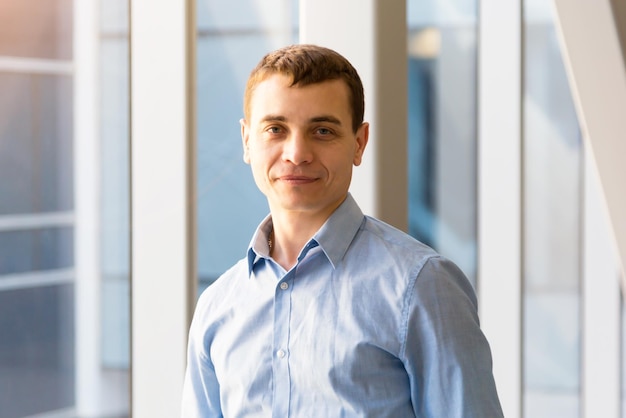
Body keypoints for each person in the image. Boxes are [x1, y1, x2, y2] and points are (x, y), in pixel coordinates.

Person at [182, 44, 503, 417]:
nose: (297, 153)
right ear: (247, 140)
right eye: (275, 129)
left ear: (359, 143)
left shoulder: (421, 285)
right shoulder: (217, 306)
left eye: (322, 130)